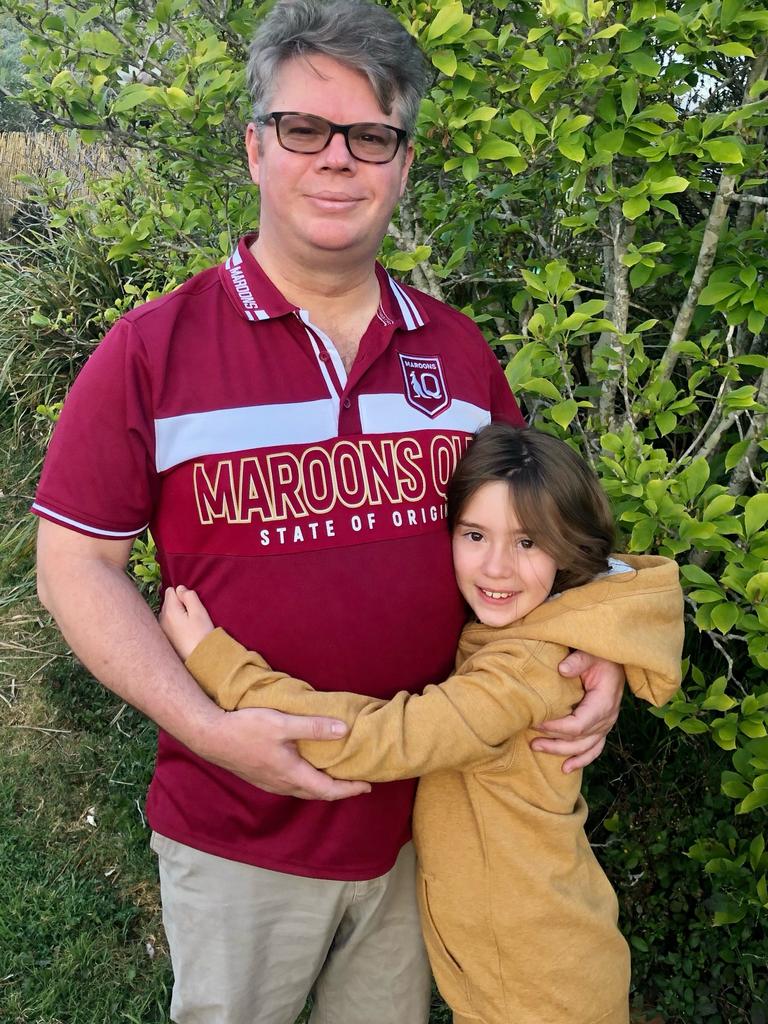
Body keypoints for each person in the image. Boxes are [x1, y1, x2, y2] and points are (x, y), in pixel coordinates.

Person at [33, 2, 627, 1021]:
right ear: (256, 146)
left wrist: (597, 647)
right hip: (237, 833)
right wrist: (206, 724)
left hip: (424, 822)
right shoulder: (151, 351)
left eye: (372, 137)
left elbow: (540, 538)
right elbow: (75, 567)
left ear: (402, 164)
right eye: (305, 129)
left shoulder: (460, 354)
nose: (337, 160)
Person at [160, 425, 685, 1024]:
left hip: (540, 986)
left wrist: (219, 664)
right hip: (528, 962)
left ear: (569, 548)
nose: (496, 567)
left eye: (528, 543)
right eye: (475, 534)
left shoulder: (528, 669)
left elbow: (379, 740)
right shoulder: (538, 633)